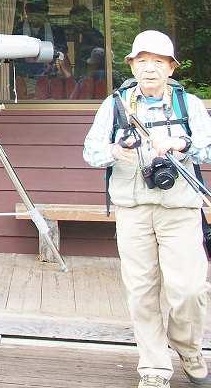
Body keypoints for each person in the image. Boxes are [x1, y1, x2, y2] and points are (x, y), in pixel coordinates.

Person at [83, 30, 211, 388]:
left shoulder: (188, 104)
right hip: (133, 210)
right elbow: (90, 151)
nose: (149, 68)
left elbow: (208, 147)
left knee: (189, 289)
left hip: (180, 209)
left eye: (158, 61)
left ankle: (188, 348)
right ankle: (154, 367)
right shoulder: (115, 105)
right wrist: (115, 151)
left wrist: (181, 143)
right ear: (132, 66)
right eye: (142, 61)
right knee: (141, 292)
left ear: (171, 67)